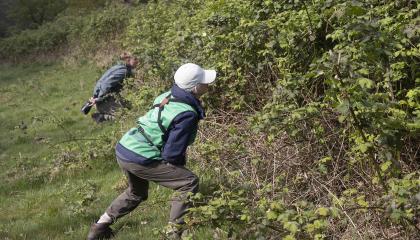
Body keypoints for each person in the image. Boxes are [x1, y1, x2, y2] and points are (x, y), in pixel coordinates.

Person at [87, 63, 217, 239]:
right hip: (140, 156)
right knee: (188, 182)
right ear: (194, 88)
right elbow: (172, 154)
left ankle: (99, 227)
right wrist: (177, 170)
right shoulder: (187, 114)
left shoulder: (167, 95)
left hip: (126, 147)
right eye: (204, 82)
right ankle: (173, 234)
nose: (208, 84)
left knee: (136, 193)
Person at [88, 52, 139, 123]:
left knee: (131, 108)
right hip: (103, 102)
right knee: (127, 117)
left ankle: (104, 109)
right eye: (136, 59)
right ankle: (102, 116)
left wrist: (95, 96)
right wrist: (98, 99)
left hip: (106, 98)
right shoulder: (123, 71)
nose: (138, 62)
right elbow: (106, 84)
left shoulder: (118, 67)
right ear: (128, 59)